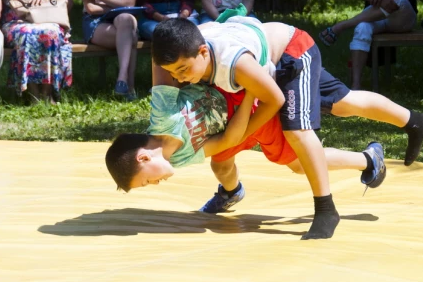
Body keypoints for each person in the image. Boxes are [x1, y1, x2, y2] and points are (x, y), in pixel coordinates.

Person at [152, 16, 423, 239]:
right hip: (270, 60)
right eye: (174, 73)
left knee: (296, 130)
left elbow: (274, 98)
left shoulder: (233, 63)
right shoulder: (189, 47)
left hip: (292, 52)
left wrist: (245, 132)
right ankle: (414, 121)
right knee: (342, 102)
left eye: (183, 70)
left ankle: (326, 209)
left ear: (203, 52)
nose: (180, 79)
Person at [105, 82, 387, 237]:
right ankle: (231, 192)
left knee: (300, 163)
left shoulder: (162, 117)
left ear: (143, 157)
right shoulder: (177, 159)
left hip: (251, 109)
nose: (154, 184)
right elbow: (223, 144)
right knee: (220, 164)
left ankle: (367, 159)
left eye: (146, 181)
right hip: (234, 127)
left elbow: (161, 71)